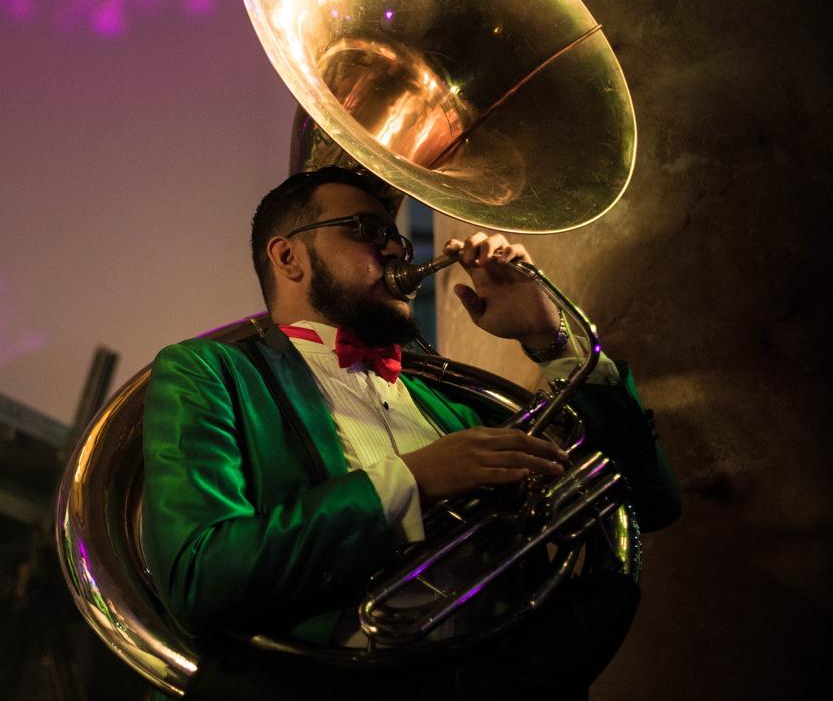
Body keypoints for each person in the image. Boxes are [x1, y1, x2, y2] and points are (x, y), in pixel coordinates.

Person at [141, 167, 680, 699]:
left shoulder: (457, 400)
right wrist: (412, 482)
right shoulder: (210, 370)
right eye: (367, 232)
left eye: (396, 236)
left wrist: (549, 337)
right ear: (289, 257)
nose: (399, 251)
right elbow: (199, 578)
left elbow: (647, 498)